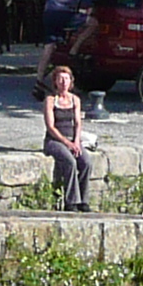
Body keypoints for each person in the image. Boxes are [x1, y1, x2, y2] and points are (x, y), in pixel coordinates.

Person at [36, 54, 93, 212]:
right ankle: (71, 201)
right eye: (60, 79)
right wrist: (66, 143)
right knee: (70, 161)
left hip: (72, 139)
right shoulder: (50, 100)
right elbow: (51, 127)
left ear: (71, 81)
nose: (63, 82)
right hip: (55, 141)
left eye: (66, 79)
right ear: (55, 81)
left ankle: (83, 199)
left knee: (86, 162)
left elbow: (78, 123)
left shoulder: (75, 100)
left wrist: (76, 141)